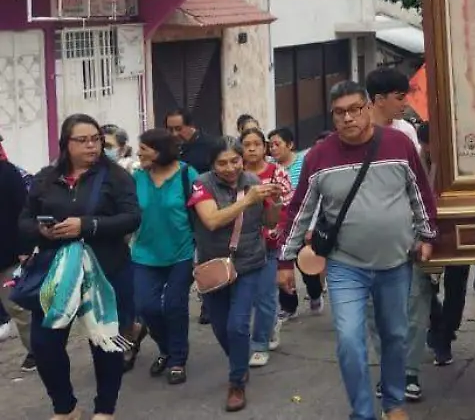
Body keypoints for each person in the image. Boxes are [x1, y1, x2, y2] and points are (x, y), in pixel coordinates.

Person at [278, 80, 437, 420]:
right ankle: (362, 412)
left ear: (367, 108)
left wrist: (426, 235)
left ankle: (393, 403)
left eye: (354, 109)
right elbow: (299, 210)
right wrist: (285, 260)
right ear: (333, 117)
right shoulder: (319, 157)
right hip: (344, 265)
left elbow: (420, 192)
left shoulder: (397, 144)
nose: (348, 118)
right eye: (340, 112)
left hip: (395, 262)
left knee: (395, 334)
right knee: (350, 341)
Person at [19, 114, 142, 420]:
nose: (91, 145)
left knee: (105, 342)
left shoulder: (116, 176)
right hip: (57, 273)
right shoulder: (45, 178)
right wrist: (41, 231)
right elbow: (23, 220)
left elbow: (131, 217)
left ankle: (105, 408)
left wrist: (86, 225)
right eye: (83, 140)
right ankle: (66, 407)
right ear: (66, 143)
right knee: (45, 345)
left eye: (96, 139)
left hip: (107, 270)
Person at [188, 136, 282, 411]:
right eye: (222, 163)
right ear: (212, 164)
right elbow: (212, 220)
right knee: (219, 326)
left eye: (235, 161)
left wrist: (275, 202)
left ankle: (236, 381)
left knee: (237, 324)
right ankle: (240, 361)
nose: (230, 168)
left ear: (242, 159)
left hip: (250, 261)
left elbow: (270, 222)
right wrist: (248, 199)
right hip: (213, 265)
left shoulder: (253, 181)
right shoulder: (202, 184)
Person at [365, 67, 441, 400]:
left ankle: (409, 372)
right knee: (374, 309)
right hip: (363, 241)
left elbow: (418, 183)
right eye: (400, 98)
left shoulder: (407, 132)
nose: (405, 104)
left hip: (405, 231)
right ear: (378, 100)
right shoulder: (355, 134)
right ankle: (389, 369)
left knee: (413, 303)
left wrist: (424, 232)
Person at [130, 129, 199, 385]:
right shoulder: (136, 177)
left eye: (144, 149)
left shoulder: (186, 175)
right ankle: (167, 349)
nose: (138, 153)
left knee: (173, 306)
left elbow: (201, 214)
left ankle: (178, 359)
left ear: (159, 151)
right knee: (146, 307)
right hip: (144, 254)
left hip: (181, 253)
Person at [241, 128, 294, 368]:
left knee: (265, 294)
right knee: (248, 297)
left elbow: (289, 208)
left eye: (256, 144)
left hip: (270, 244)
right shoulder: (235, 175)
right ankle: (270, 325)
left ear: (264, 148)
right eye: (246, 144)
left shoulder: (277, 173)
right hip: (241, 246)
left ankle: (260, 343)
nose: (251, 148)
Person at [268, 128, 324, 319]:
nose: (273, 149)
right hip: (280, 225)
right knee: (282, 264)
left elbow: (315, 195)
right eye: (270, 145)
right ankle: (288, 306)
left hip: (302, 222)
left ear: (290, 145)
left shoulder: (305, 162)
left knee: (306, 266)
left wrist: (311, 227)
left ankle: (315, 293)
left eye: (277, 144)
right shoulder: (271, 168)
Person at [0, 132, 35, 373]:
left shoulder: (7, 173)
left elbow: (23, 212)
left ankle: (38, 350)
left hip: (8, 253)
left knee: (17, 306)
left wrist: (25, 248)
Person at [164, 109, 222, 175]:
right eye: (170, 129)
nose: (174, 134)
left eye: (178, 129)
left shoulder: (212, 145)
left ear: (191, 125)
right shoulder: (166, 147)